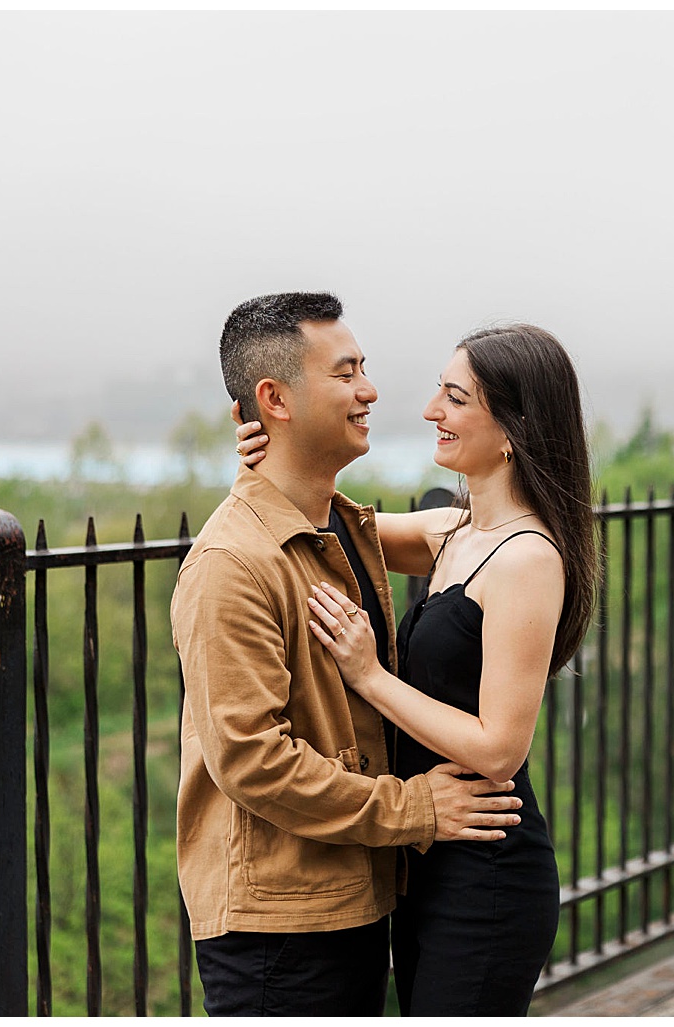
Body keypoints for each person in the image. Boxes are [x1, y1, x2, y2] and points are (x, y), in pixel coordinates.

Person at [173, 292, 526, 1016]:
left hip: (348, 896)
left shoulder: (341, 528)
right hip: (277, 928)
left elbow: (493, 537)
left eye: (363, 367)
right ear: (274, 398)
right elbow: (252, 761)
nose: (368, 389)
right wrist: (413, 808)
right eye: (345, 373)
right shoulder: (230, 564)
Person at [235, 322, 597, 1014]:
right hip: (428, 857)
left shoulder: (527, 558)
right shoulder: (453, 532)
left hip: (486, 868)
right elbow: (324, 525)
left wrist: (370, 676)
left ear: (514, 427)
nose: (432, 410)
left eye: (456, 398)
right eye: (439, 391)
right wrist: (265, 460)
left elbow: (500, 744)